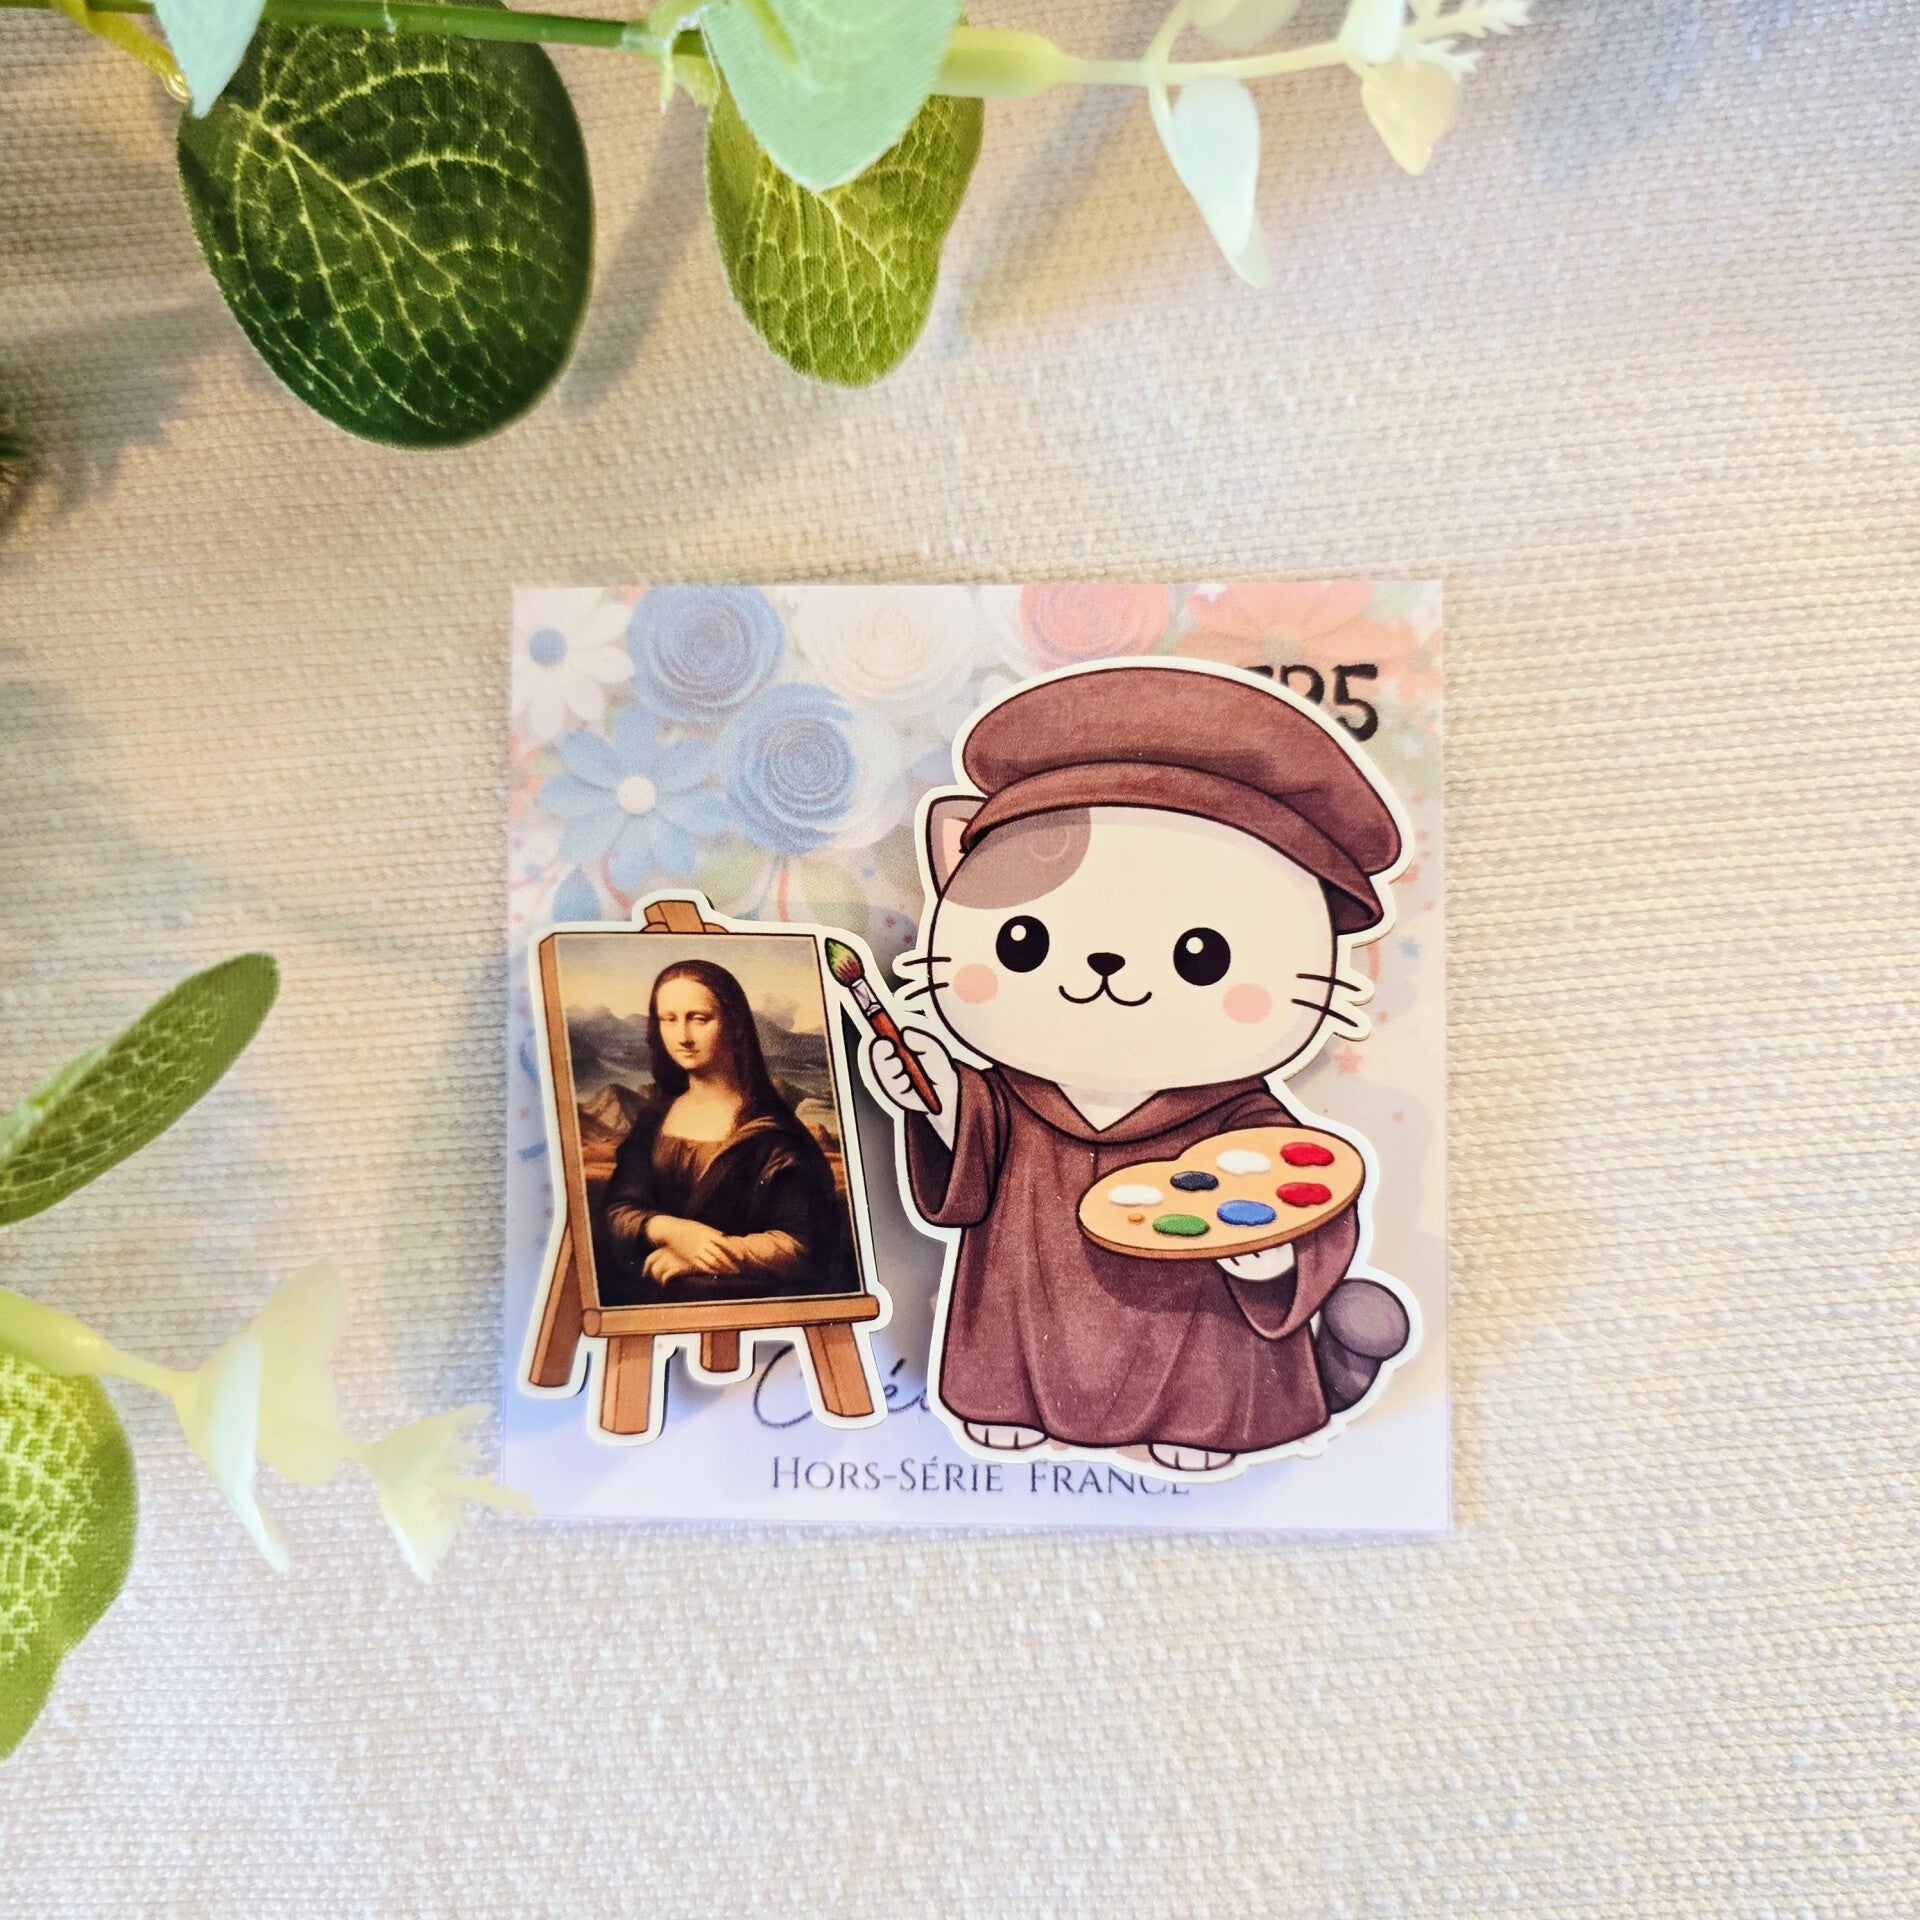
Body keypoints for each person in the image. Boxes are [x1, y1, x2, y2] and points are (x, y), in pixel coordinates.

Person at [595, 960, 855, 1306]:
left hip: (747, 1305)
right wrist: (671, 1230)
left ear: (734, 1025)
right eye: (668, 1019)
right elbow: (617, 1211)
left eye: (699, 1018)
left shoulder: (774, 1134)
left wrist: (708, 1254)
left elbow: (802, 1245)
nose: (683, 1036)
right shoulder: (654, 1119)